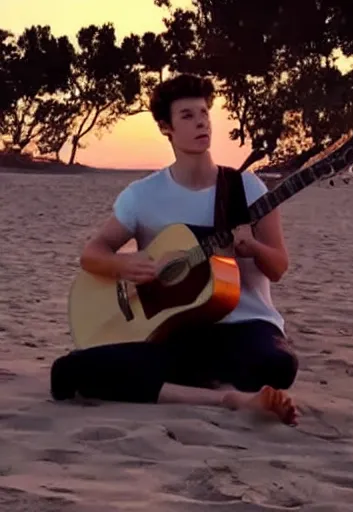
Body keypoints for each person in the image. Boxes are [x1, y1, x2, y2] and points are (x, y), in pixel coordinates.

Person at [49, 74, 300, 425]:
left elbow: (278, 267)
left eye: (204, 113)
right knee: (68, 372)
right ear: (166, 127)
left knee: (277, 364)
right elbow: (92, 253)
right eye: (187, 115)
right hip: (179, 330)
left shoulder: (246, 188)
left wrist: (253, 246)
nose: (200, 122)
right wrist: (125, 266)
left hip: (246, 325)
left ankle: (188, 386)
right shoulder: (143, 195)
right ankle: (228, 398)